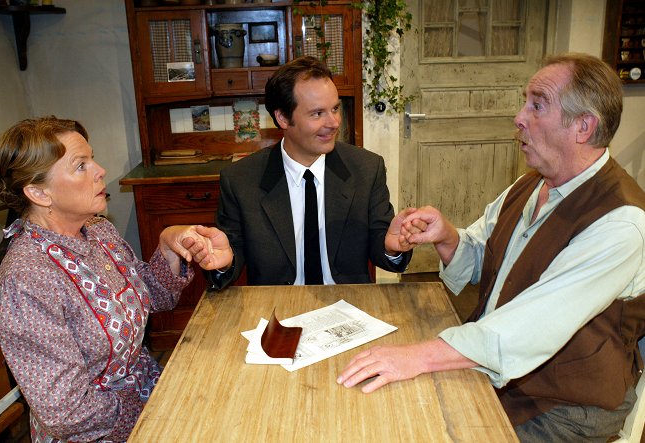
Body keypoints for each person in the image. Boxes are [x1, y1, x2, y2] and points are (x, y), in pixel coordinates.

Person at [337, 53, 645, 442]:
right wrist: (448, 236)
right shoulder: (531, 185)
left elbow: (532, 326)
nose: (519, 117)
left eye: (537, 105)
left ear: (583, 126)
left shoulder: (621, 222)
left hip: (566, 409)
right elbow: (487, 258)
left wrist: (418, 355)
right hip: (504, 376)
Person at [0, 117, 211, 442]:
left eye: (92, 159)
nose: (100, 170)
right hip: (100, 427)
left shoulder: (98, 230)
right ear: (38, 192)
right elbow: (67, 412)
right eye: (81, 166)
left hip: (147, 392)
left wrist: (169, 244)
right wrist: (153, 412)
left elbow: (150, 296)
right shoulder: (27, 277)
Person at [194, 56, 415, 288]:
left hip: (349, 306)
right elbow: (229, 257)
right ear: (283, 118)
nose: (334, 122)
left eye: (335, 108)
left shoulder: (367, 169)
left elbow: (383, 246)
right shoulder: (240, 180)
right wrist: (223, 264)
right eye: (317, 113)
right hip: (277, 308)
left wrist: (391, 248)